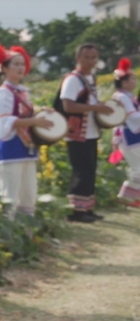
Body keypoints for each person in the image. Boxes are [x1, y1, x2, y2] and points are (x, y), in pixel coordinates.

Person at [0, 44, 51, 220]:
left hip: (26, 148)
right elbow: (3, 122)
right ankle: (8, 232)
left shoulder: (22, 92)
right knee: (10, 195)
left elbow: (24, 114)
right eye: (15, 64)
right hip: (11, 147)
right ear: (4, 68)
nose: (20, 68)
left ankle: (26, 231)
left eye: (22, 64)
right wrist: (35, 121)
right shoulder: (3, 92)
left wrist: (41, 113)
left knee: (28, 193)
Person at [54, 43, 115, 222]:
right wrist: (96, 107)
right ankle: (76, 212)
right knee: (81, 170)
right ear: (78, 59)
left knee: (89, 169)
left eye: (94, 57)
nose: (91, 61)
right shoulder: (73, 79)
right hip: (76, 132)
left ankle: (87, 208)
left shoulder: (90, 78)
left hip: (90, 131)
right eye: (87, 57)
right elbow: (68, 105)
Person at [110, 58, 140, 206]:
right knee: (137, 167)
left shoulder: (127, 95)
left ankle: (131, 197)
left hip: (132, 134)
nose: (135, 81)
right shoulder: (121, 96)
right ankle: (128, 197)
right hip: (128, 135)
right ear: (124, 82)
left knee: (138, 167)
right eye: (132, 78)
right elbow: (132, 116)